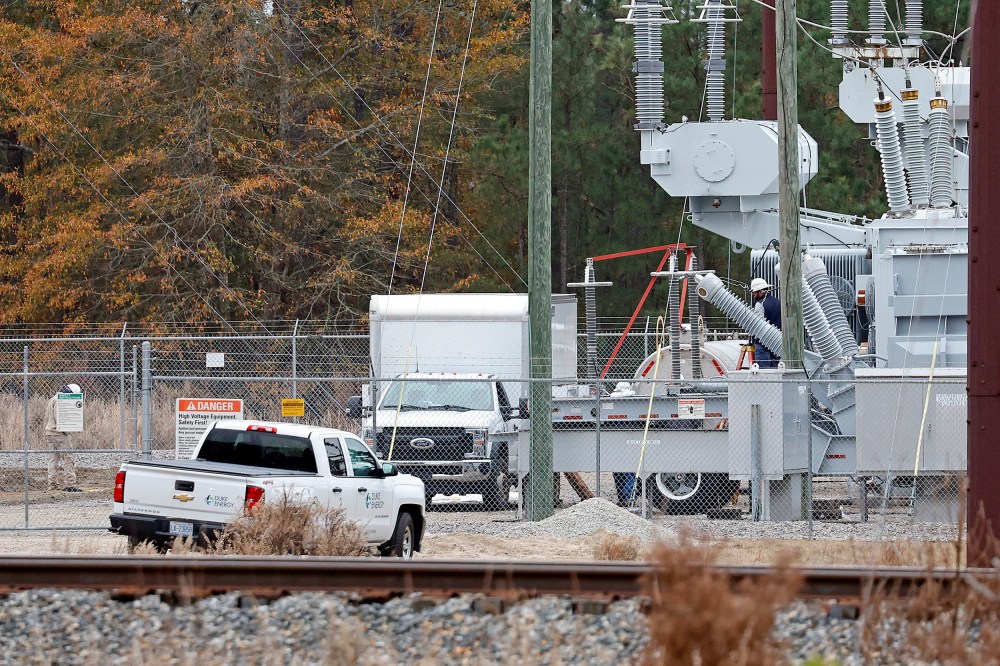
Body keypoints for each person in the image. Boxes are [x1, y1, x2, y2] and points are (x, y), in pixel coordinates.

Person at [46, 384, 82, 492]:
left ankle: (52, 484)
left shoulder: (53, 398)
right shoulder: (60, 401)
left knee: (53, 459)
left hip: (50, 432)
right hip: (59, 434)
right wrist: (67, 431)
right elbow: (60, 419)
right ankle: (70, 484)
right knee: (68, 457)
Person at [750, 277, 781, 368]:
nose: (753, 295)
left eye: (754, 293)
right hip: (777, 343)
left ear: (760, 292)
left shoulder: (760, 304)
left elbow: (758, 325)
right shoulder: (778, 302)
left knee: (764, 372)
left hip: (763, 345)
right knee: (776, 371)